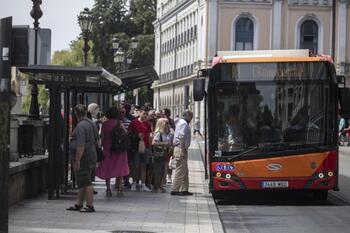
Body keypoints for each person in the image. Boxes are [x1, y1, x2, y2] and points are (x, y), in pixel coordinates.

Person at [67, 104, 98, 213]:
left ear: (76, 114)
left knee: (86, 181)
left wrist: (77, 160)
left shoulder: (80, 126)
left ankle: (90, 205)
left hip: (84, 156)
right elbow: (98, 140)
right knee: (83, 180)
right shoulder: (91, 123)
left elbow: (81, 145)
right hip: (91, 155)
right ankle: (79, 203)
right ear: (85, 112)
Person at [95, 107, 129, 197]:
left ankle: (108, 189)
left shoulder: (105, 124)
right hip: (119, 150)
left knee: (108, 168)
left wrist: (102, 146)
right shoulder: (119, 123)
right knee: (120, 168)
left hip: (108, 149)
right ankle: (119, 189)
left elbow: (102, 137)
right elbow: (125, 134)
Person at [128, 107, 152, 192]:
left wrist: (150, 148)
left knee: (144, 166)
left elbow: (149, 136)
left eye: (146, 114)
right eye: (144, 113)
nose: (145, 115)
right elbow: (129, 134)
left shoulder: (148, 124)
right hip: (136, 147)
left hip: (145, 146)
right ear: (140, 113)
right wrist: (137, 135)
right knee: (135, 165)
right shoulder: (134, 122)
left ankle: (143, 184)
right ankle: (134, 183)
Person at [171, 110, 193, 196]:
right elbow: (181, 136)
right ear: (187, 116)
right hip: (181, 148)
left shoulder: (180, 122)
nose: (191, 118)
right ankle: (175, 189)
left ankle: (184, 189)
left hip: (179, 148)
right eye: (191, 116)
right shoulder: (184, 123)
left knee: (184, 170)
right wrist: (183, 149)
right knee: (180, 170)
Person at [152, 118, 172, 193]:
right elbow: (154, 143)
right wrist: (164, 143)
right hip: (158, 154)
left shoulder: (165, 133)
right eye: (166, 123)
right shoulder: (158, 133)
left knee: (162, 171)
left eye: (167, 123)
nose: (167, 124)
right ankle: (156, 186)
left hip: (164, 154)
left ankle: (160, 185)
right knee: (158, 171)